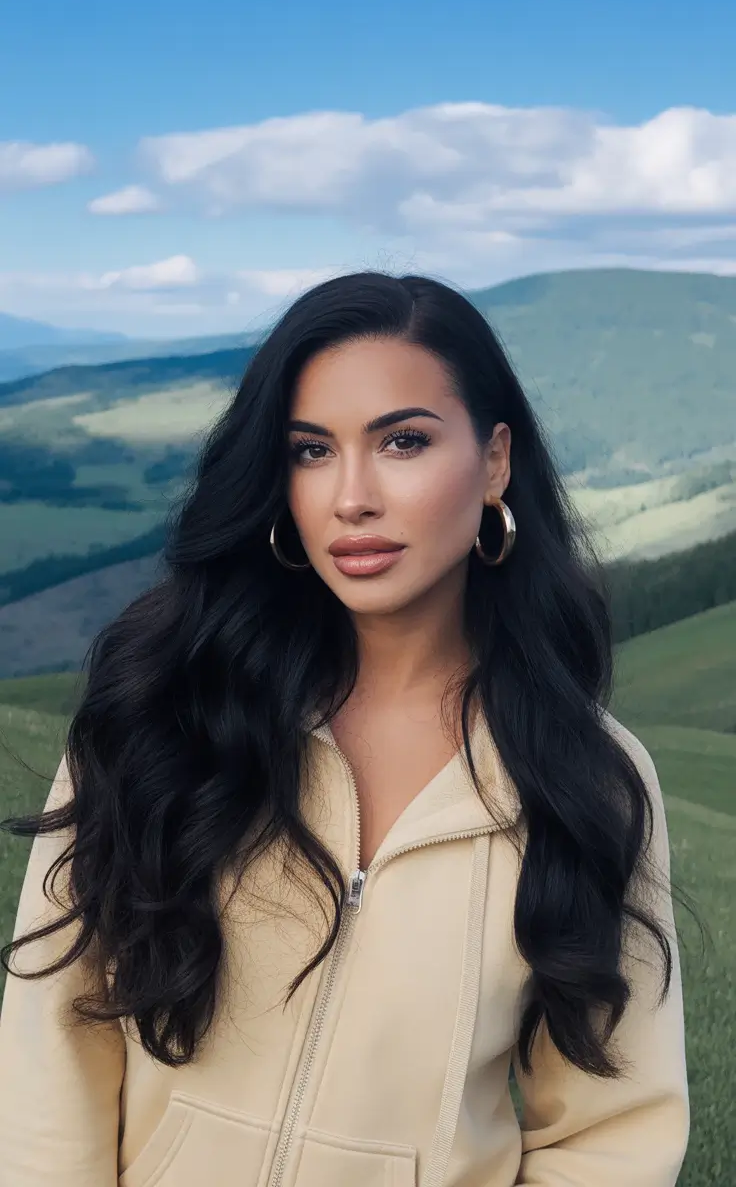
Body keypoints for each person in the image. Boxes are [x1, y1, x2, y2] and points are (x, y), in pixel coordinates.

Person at [0, 272, 690, 1186]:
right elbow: (54, 1047)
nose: (351, 497)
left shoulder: (585, 776)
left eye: (403, 441)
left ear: (494, 460)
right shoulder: (163, 707)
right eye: (311, 450)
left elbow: (612, 1136)